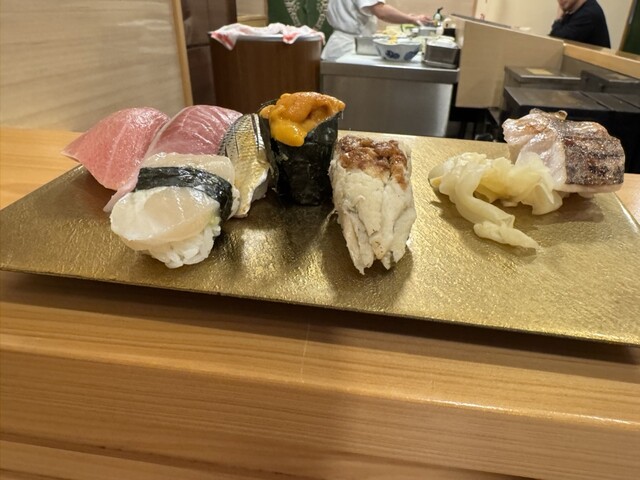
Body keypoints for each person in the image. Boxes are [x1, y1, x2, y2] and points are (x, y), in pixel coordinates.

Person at [321, 0, 431, 60]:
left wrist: (407, 17)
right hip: (349, 48)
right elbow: (381, 11)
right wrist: (412, 19)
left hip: (338, 45)